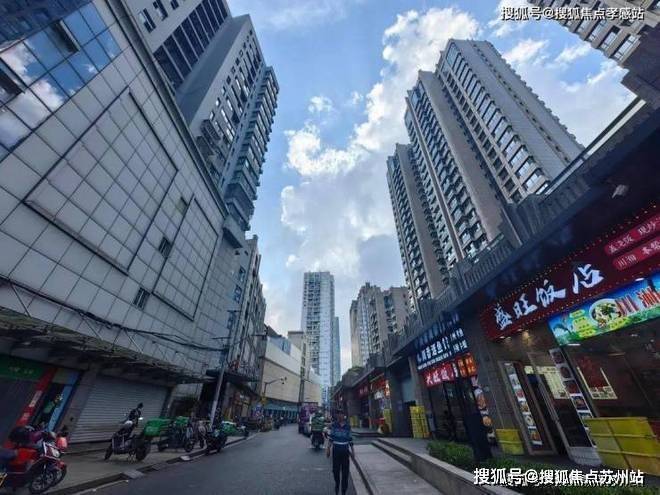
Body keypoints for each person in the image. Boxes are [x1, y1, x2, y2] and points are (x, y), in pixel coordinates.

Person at [326, 410, 354, 495]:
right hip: (336, 452)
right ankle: (337, 484)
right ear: (337, 416)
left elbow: (350, 439)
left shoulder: (348, 426)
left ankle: (343, 491)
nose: (340, 416)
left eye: (341, 414)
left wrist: (353, 451)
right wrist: (328, 449)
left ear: (344, 416)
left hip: (345, 452)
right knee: (335, 471)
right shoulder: (334, 425)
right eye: (338, 414)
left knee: (345, 472)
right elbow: (331, 438)